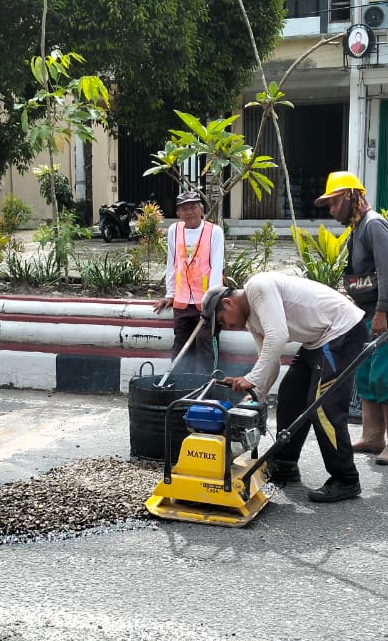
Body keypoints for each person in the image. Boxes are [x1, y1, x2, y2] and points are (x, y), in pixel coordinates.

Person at [201, 273, 368, 503]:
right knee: (290, 394)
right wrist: (252, 397)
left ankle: (346, 478)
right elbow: (270, 361)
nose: (227, 326)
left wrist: (250, 378)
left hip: (342, 330)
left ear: (228, 303)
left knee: (322, 405)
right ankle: (285, 464)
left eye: (222, 320)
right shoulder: (252, 321)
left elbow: (278, 336)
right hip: (319, 339)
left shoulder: (258, 287)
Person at [314, 170, 388, 465]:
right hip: (366, 312)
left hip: (386, 312)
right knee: (366, 375)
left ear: (349, 197)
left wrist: (381, 311)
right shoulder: (358, 228)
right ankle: (372, 436)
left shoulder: (374, 226)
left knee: (385, 375)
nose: (331, 211)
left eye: (333, 203)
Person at [153, 190, 224, 375]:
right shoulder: (174, 230)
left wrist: (211, 301)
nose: (189, 212)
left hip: (206, 302)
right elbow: (172, 263)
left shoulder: (214, 232)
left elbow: (217, 268)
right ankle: (179, 384)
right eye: (184, 209)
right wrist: (170, 294)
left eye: (193, 207)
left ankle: (205, 386)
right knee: (180, 345)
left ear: (201, 209)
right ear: (178, 213)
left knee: (205, 344)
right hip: (182, 301)